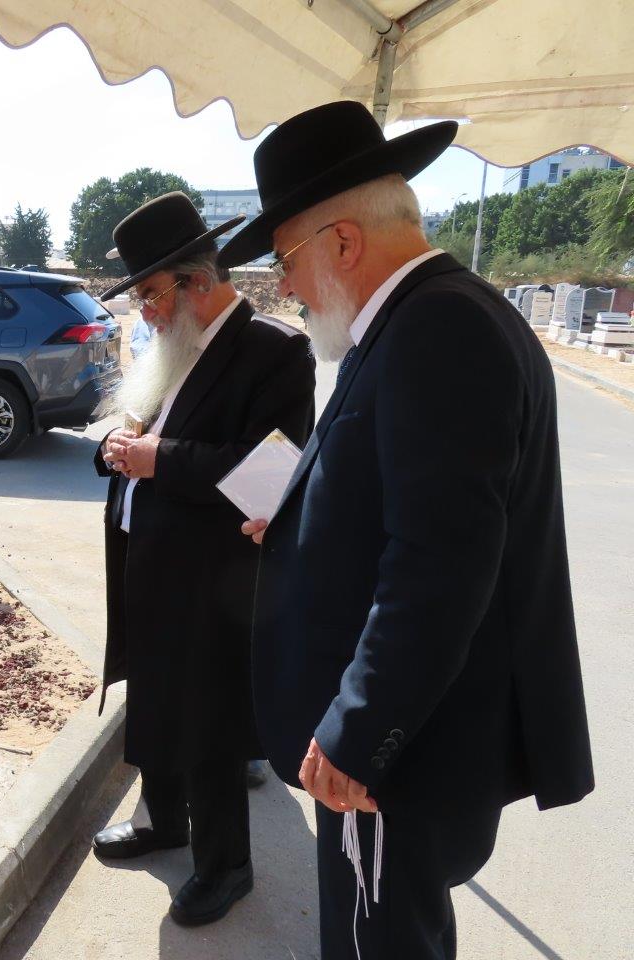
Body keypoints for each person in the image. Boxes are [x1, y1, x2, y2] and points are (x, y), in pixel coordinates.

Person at [217, 101, 594, 959]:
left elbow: (443, 559)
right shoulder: (414, 321)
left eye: (286, 262)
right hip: (404, 747)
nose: (289, 289)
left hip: (395, 760)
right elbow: (404, 502)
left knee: (378, 947)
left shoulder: (439, 329)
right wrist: (299, 517)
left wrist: (358, 731)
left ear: (342, 243)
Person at [91, 192, 316, 926]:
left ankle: (227, 867)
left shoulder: (274, 351)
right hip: (147, 562)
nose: (146, 312)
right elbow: (131, 433)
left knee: (211, 724)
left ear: (195, 280)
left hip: (213, 578)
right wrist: (113, 452)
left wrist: (161, 460)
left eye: (152, 294)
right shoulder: (171, 346)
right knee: (156, 698)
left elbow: (272, 470)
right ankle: (164, 822)